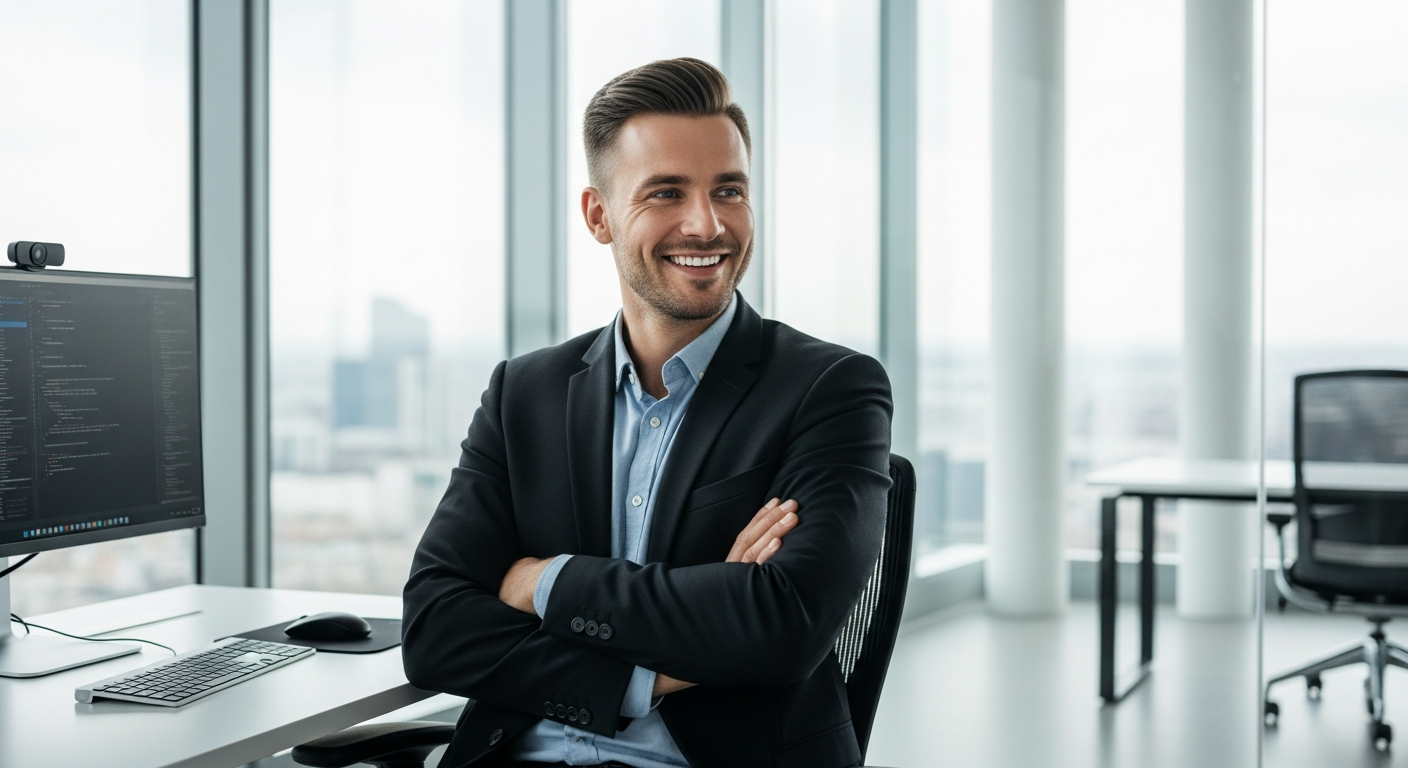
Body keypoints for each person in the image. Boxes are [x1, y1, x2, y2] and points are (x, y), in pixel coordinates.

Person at [402, 57, 892, 768]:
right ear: (599, 216)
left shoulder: (830, 388)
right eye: (667, 192)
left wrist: (544, 581)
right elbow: (436, 629)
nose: (707, 224)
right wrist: (658, 664)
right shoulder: (524, 393)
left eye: (730, 190)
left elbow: (782, 626)